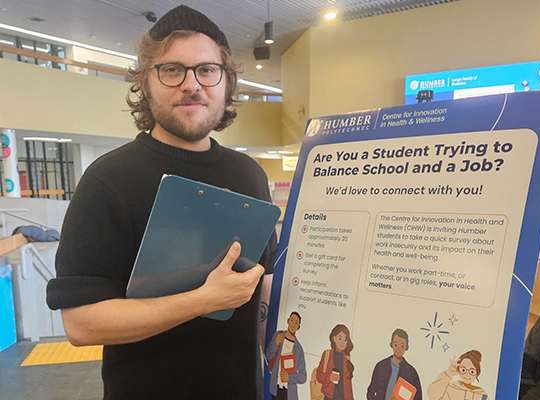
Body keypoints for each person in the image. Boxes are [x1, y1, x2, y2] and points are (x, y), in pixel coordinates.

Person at [45, 5, 277, 399]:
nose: (192, 84)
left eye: (207, 70)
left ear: (225, 82)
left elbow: (264, 283)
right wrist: (202, 300)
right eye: (172, 70)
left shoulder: (249, 174)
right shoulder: (107, 180)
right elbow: (82, 324)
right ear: (146, 83)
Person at [367, 329, 422, 400]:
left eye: (402, 346)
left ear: (406, 347)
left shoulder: (412, 373)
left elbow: (418, 398)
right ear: (391, 344)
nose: (398, 348)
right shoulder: (380, 366)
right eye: (396, 344)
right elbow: (370, 392)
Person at [266, 312, 307, 400]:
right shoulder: (278, 336)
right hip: (275, 388)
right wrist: (275, 343)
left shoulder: (299, 349)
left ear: (298, 327)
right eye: (292, 320)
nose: (293, 323)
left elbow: (303, 376)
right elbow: (268, 356)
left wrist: (289, 377)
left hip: (289, 393)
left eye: (296, 322)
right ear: (288, 321)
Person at [317, 324, 355, 400]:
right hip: (329, 397)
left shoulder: (346, 358)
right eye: (340, 338)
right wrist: (329, 377)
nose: (343, 342)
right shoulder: (327, 354)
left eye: (345, 340)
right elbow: (318, 376)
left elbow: (348, 386)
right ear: (334, 338)